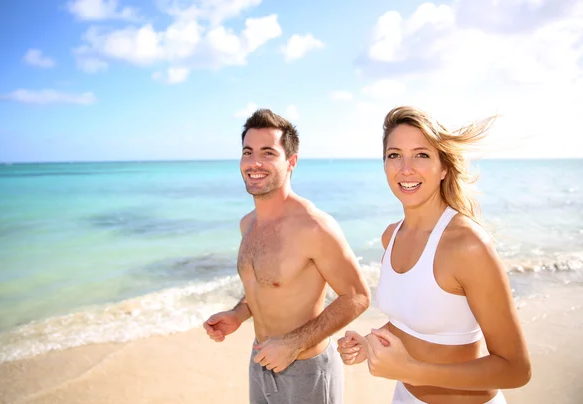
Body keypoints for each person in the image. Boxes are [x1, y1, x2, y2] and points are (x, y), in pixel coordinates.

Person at [337, 106, 531, 403]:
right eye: (394, 155)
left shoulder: (467, 245)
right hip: (403, 396)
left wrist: (414, 370)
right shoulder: (391, 236)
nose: (405, 168)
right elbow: (415, 318)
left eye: (421, 154)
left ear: (443, 168)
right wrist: (370, 342)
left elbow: (516, 370)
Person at [203, 108, 371, 404]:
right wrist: (237, 314)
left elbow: (357, 296)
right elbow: (266, 286)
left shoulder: (314, 226)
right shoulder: (248, 224)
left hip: (307, 372)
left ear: (291, 162)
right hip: (260, 362)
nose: (254, 163)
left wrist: (292, 344)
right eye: (248, 152)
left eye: (268, 153)